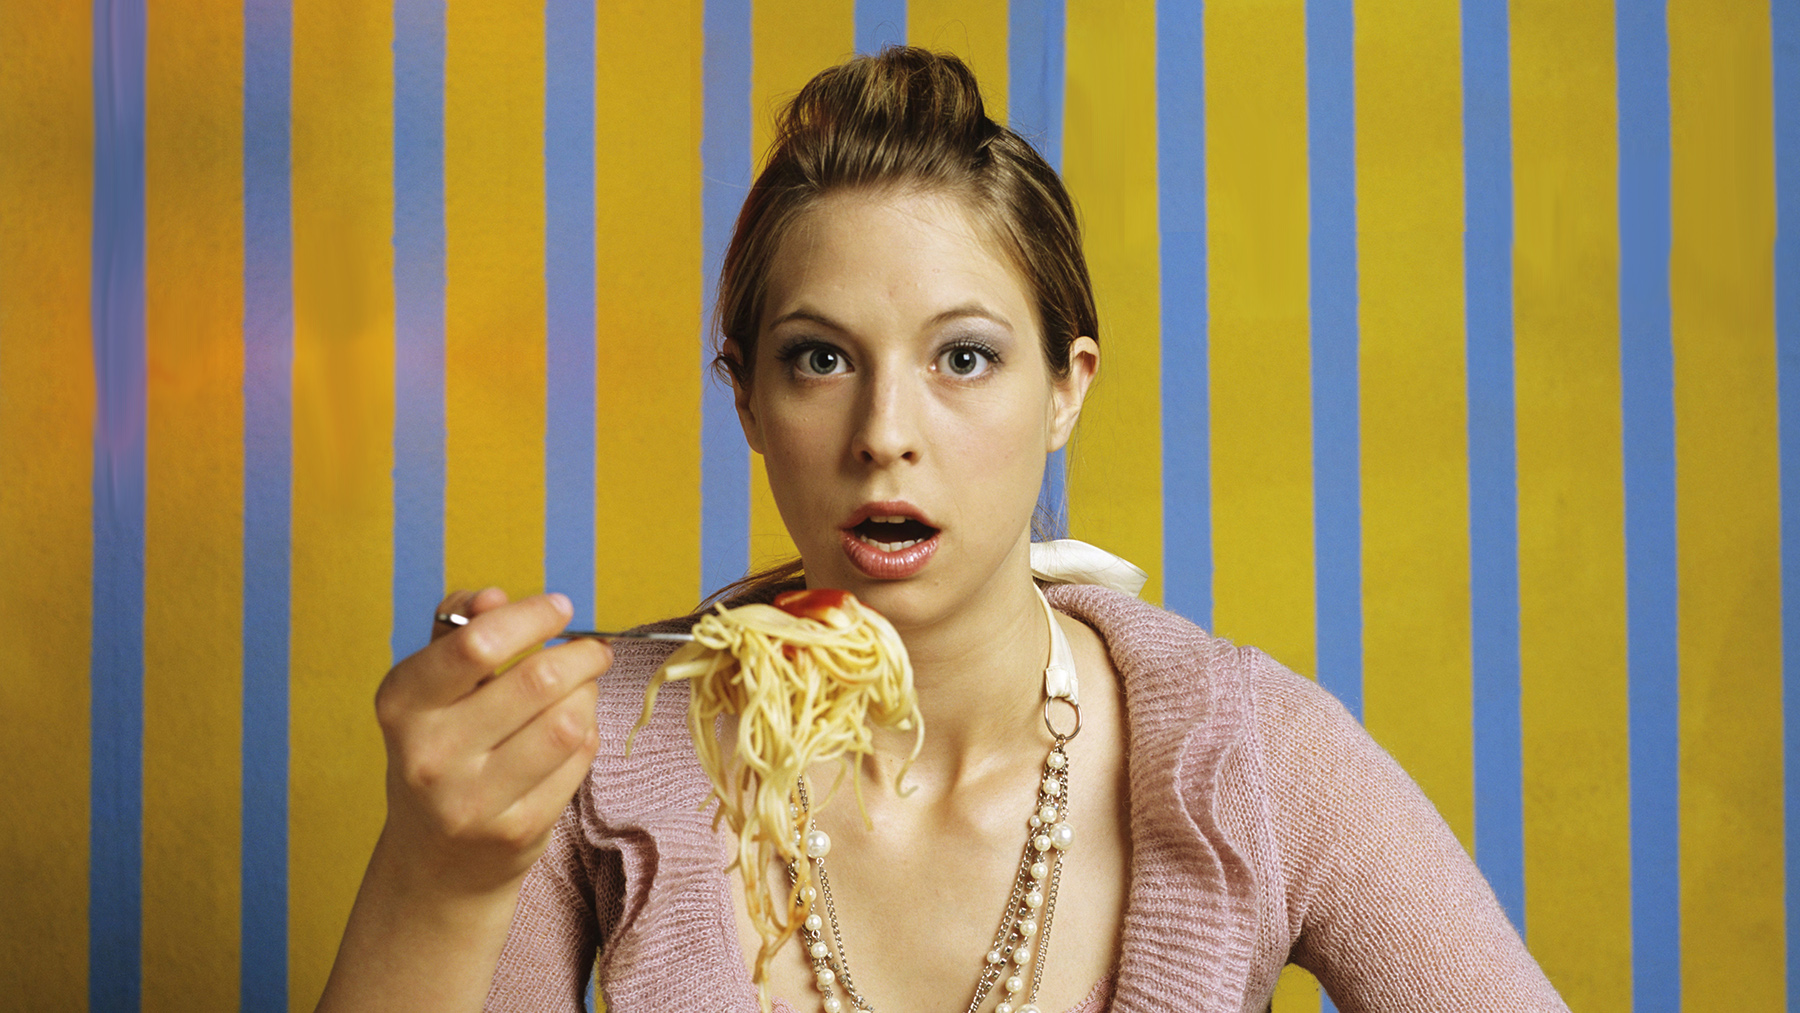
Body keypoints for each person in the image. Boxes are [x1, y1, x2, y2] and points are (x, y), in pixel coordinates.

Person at [315, 47, 1568, 1013]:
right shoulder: (598, 752)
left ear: (1067, 388)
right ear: (747, 394)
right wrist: (440, 874)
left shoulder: (1252, 753)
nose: (885, 431)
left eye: (964, 356)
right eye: (819, 359)